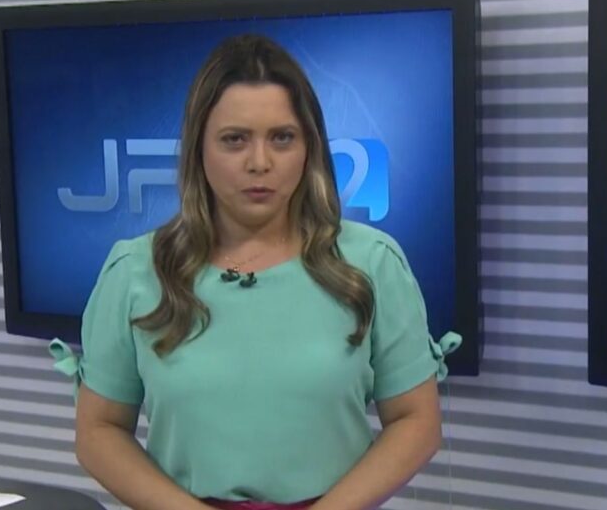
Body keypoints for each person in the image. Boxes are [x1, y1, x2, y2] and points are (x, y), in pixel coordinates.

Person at [49, 33, 461, 510]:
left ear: (309, 148)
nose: (260, 163)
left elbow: (416, 421)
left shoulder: (372, 263)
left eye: (282, 138)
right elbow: (99, 431)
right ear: (199, 149)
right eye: (235, 139)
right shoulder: (136, 272)